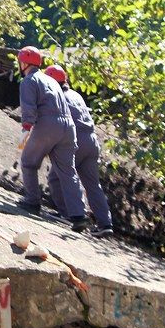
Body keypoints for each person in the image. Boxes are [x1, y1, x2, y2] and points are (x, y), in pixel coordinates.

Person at [15, 46, 88, 232]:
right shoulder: (52, 81)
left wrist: (26, 129)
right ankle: (79, 215)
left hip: (48, 125)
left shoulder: (29, 81)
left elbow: (29, 107)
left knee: (29, 162)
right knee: (67, 171)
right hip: (68, 127)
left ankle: (32, 201)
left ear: (24, 63)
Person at [43, 65, 114, 236]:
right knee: (92, 184)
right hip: (91, 141)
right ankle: (105, 224)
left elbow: (56, 122)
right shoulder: (76, 95)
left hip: (75, 140)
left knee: (55, 177)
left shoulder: (57, 96)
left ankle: (68, 214)